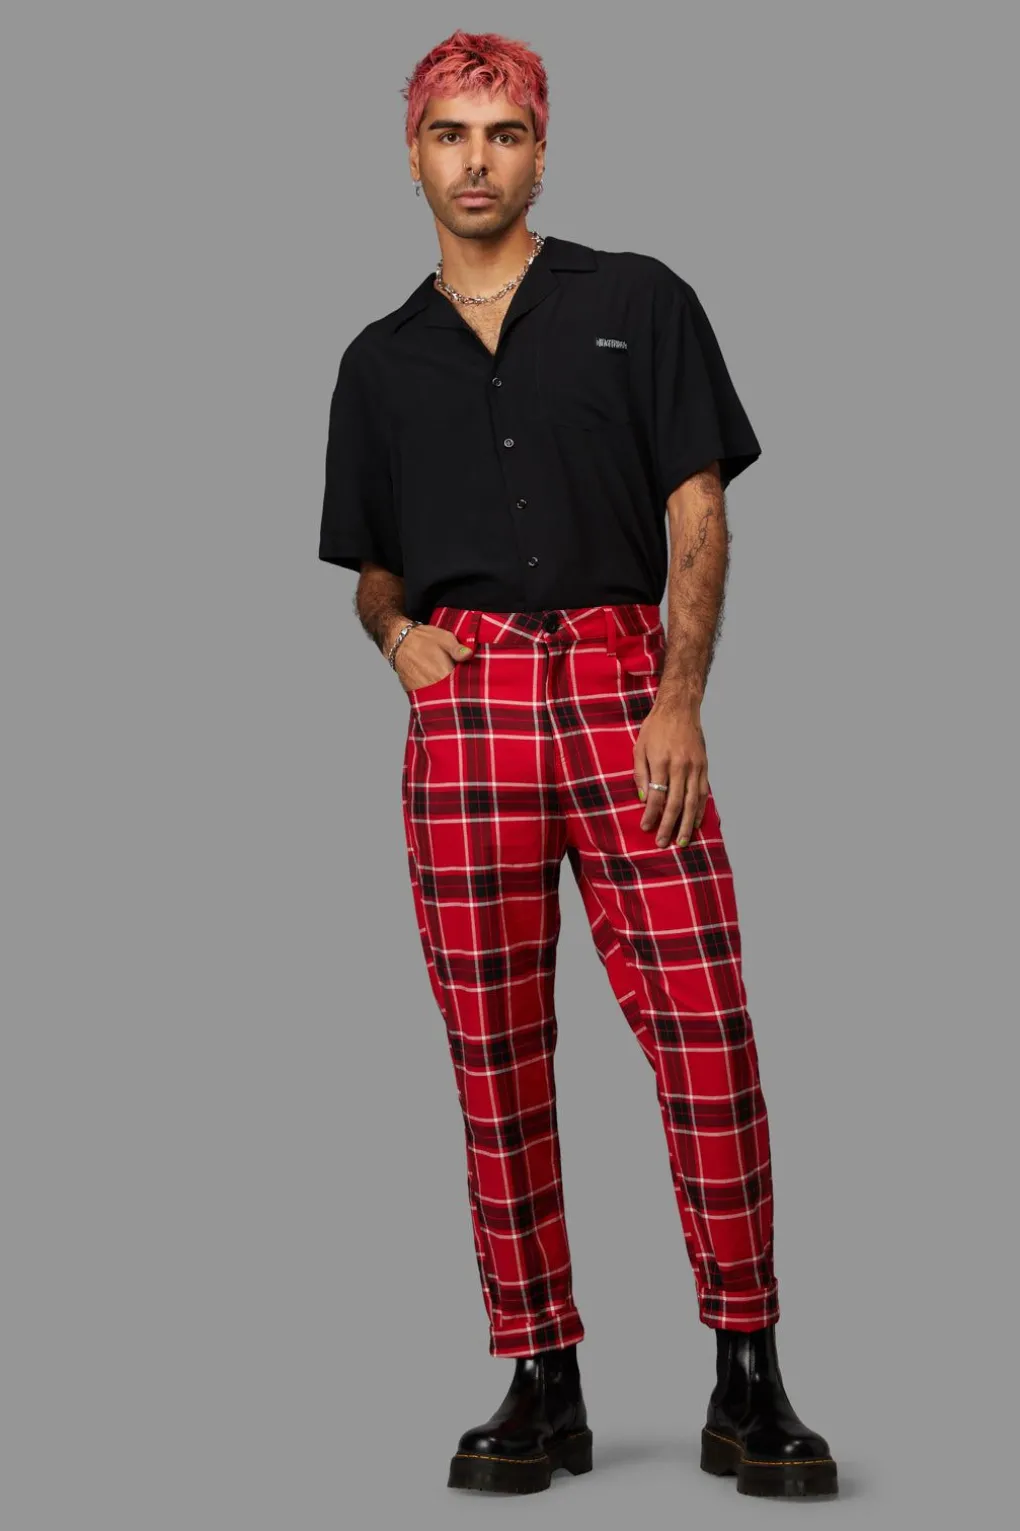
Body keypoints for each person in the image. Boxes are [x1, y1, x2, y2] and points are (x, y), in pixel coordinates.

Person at [318, 28, 838, 1501]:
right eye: (449, 134)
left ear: (541, 151)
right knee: (493, 1052)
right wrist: (395, 638)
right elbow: (373, 569)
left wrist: (680, 694)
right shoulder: (377, 360)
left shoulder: (638, 301)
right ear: (412, 156)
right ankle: (541, 1377)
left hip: (623, 688)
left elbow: (700, 511)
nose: (476, 160)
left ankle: (748, 1375)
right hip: (469, 710)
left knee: (705, 1027)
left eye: (503, 132)